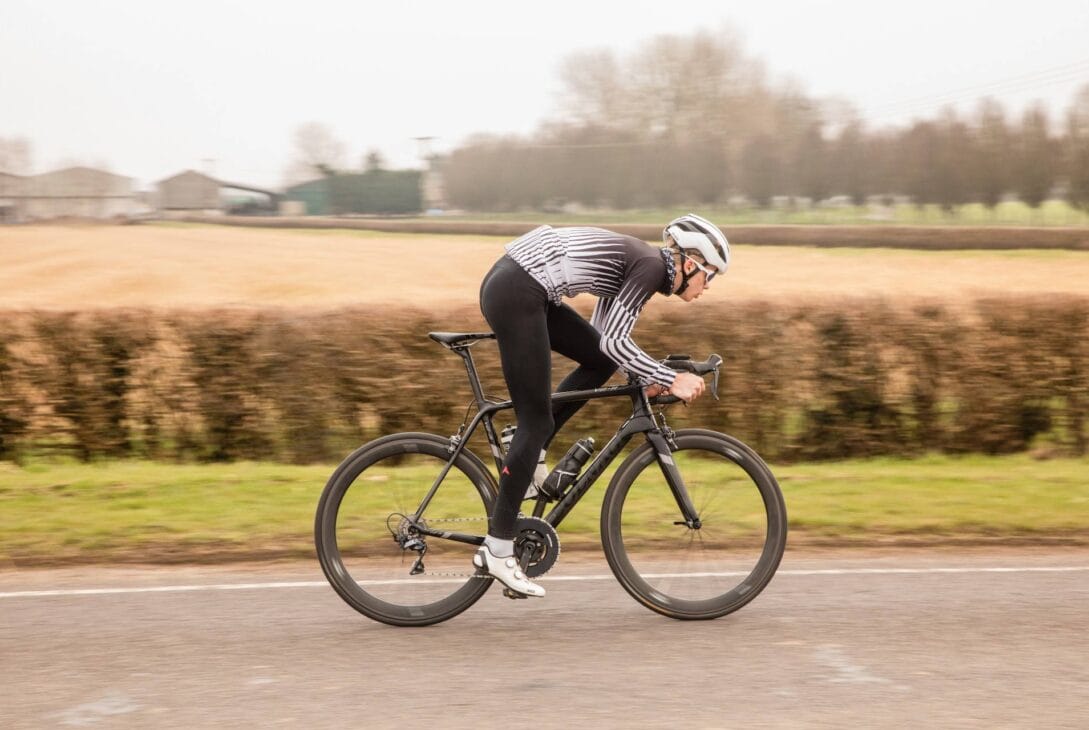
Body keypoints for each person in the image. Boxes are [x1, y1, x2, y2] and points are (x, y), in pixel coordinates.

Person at [474, 214, 730, 597]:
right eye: (710, 275)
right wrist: (670, 377)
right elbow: (615, 342)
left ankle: (530, 451)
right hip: (519, 289)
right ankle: (498, 547)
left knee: (598, 363)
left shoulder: (642, 266)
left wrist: (650, 377)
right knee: (536, 421)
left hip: (520, 284)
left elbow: (605, 344)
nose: (708, 286)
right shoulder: (647, 267)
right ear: (691, 264)